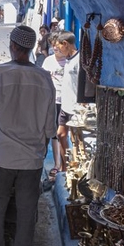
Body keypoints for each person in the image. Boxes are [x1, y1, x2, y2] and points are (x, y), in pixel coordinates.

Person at [0, 24, 56, 246]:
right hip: (31, 161)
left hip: (1, 156)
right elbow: (50, 126)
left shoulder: (0, 75)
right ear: (32, 47)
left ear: (12, 46)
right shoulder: (45, 79)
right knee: (26, 212)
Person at [40, 40, 68, 177]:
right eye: (54, 45)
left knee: (70, 133)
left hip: (68, 100)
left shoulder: (70, 61)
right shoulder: (48, 62)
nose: (56, 48)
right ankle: (58, 163)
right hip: (53, 100)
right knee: (56, 133)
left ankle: (67, 164)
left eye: (59, 45)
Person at [55, 31, 80, 172]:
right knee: (61, 135)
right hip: (65, 106)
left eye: (59, 47)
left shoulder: (79, 59)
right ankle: (64, 167)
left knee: (76, 140)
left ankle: (74, 169)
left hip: (75, 107)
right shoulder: (68, 60)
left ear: (65, 44)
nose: (58, 51)